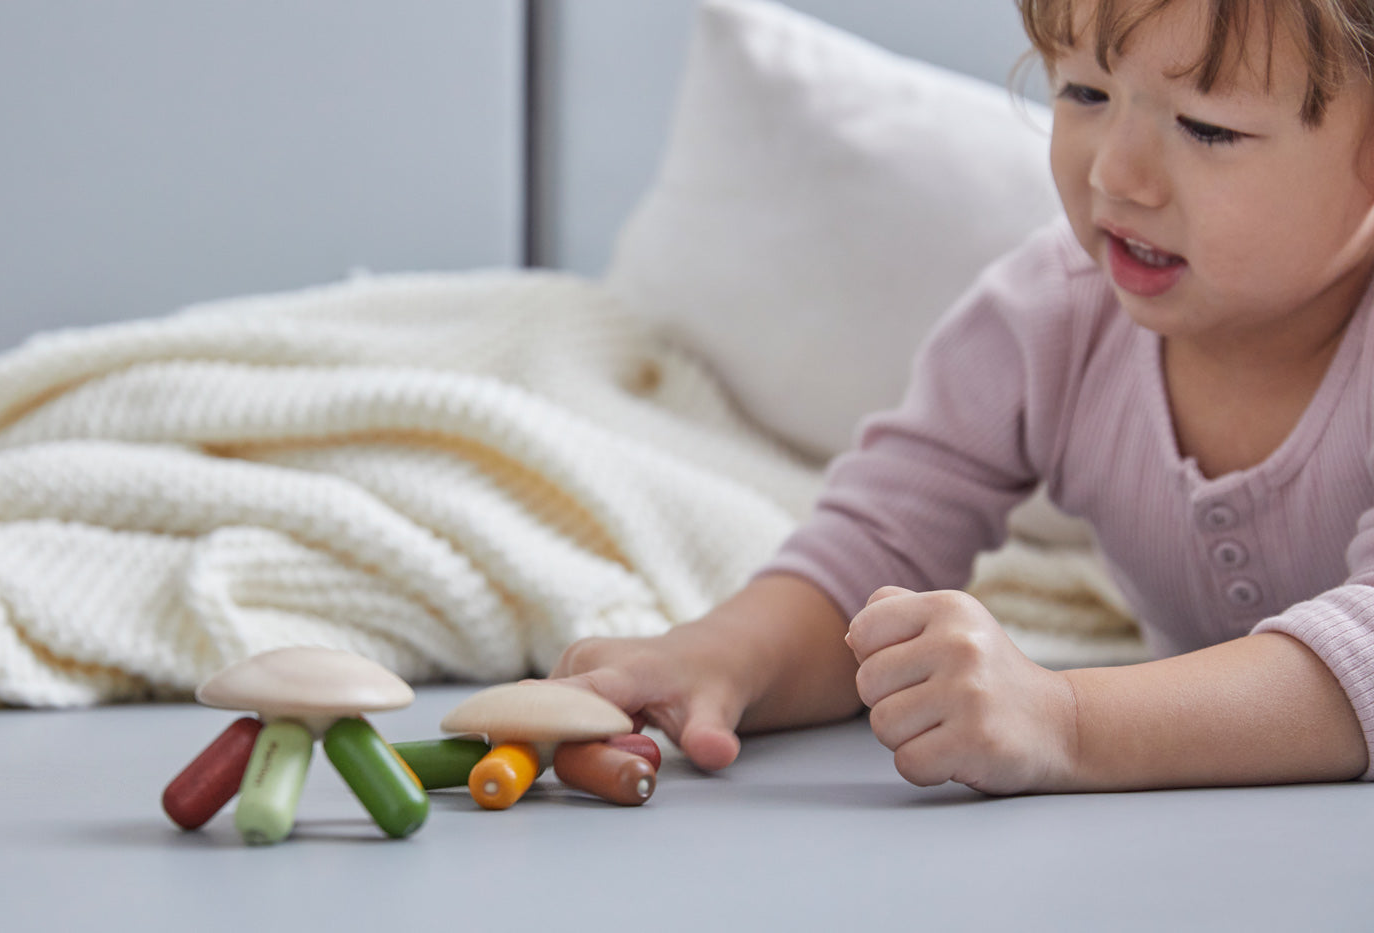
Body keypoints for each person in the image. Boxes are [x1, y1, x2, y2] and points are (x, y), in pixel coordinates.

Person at [550, 0, 1374, 794]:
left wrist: (1068, 720)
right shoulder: (1051, 315)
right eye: (1085, 91)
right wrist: (721, 656)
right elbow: (874, 548)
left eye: (1208, 127)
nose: (1114, 175)